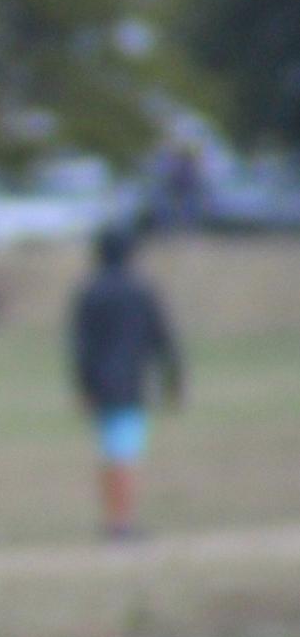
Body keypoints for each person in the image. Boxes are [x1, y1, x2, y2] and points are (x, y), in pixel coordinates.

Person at [70, 225, 183, 541]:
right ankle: (122, 523)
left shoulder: (90, 292)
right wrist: (174, 381)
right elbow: (163, 339)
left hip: (100, 385)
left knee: (111, 453)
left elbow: (80, 346)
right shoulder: (141, 291)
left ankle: (114, 519)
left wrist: (83, 386)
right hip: (131, 383)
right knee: (125, 455)